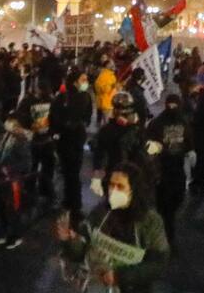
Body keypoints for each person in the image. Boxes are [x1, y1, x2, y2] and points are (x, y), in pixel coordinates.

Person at [57, 162, 170, 293]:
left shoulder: (150, 222)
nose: (113, 190)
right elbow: (81, 252)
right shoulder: (100, 213)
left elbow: (157, 264)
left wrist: (119, 276)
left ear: (133, 190)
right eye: (111, 185)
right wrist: (70, 240)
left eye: (120, 186)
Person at [146, 93, 193, 245]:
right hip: (162, 169)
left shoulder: (183, 122)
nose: (172, 108)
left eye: (175, 105)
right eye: (170, 105)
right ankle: (165, 235)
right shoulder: (157, 123)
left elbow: (189, 139)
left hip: (178, 167)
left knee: (178, 197)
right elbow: (147, 140)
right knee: (164, 205)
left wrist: (190, 150)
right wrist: (152, 148)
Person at [49, 69, 93, 225]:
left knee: (70, 173)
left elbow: (54, 118)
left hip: (66, 140)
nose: (86, 82)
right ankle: (74, 205)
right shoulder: (80, 97)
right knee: (72, 173)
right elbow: (87, 118)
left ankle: (70, 202)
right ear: (75, 81)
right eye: (83, 79)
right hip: (74, 139)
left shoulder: (63, 97)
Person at [0, 111, 32, 249]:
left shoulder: (21, 140)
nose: (8, 124)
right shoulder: (7, 136)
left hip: (13, 180)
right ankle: (2, 233)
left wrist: (9, 169)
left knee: (13, 208)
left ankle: (15, 235)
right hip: (2, 179)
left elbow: (27, 164)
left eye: (12, 122)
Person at [91, 91, 148, 195]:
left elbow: (143, 157)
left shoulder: (137, 132)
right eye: (120, 114)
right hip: (114, 176)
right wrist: (97, 176)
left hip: (132, 178)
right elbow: (100, 154)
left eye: (126, 114)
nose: (123, 118)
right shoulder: (107, 131)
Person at [17, 80, 56, 205]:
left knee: (31, 167)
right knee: (48, 167)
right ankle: (45, 190)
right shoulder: (53, 101)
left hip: (32, 140)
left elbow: (20, 117)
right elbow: (57, 119)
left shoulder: (27, 101)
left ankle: (29, 191)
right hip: (47, 139)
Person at [94, 59, 117, 126]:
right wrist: (112, 86)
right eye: (111, 63)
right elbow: (102, 89)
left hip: (109, 102)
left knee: (108, 124)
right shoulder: (104, 75)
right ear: (107, 65)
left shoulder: (110, 75)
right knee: (107, 124)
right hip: (106, 103)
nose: (113, 65)